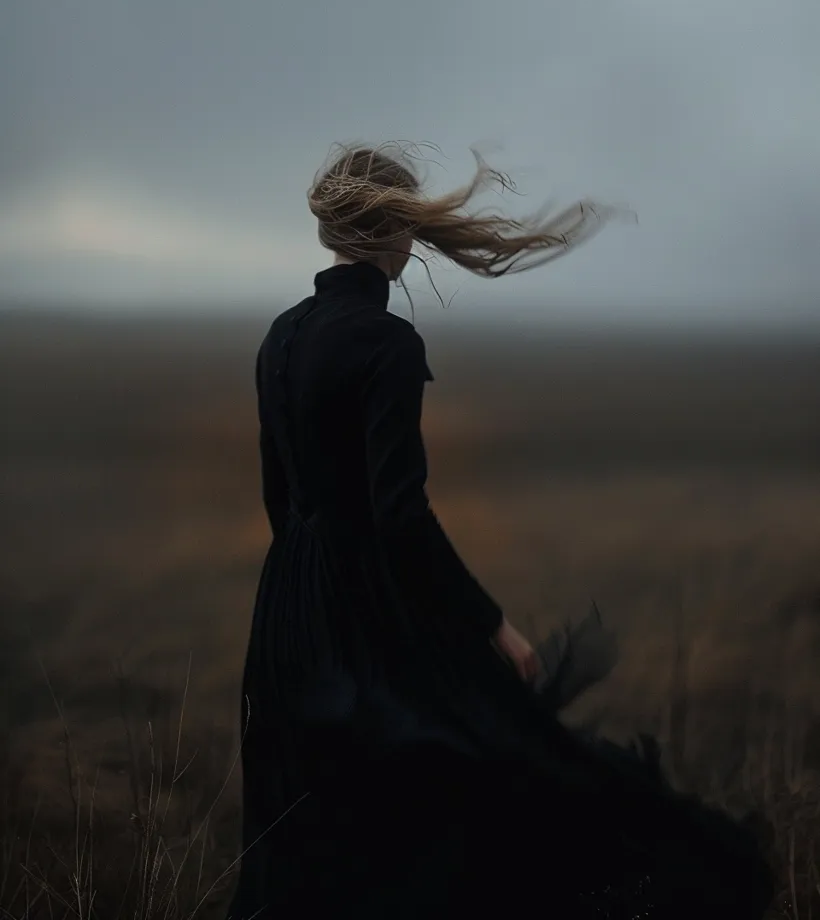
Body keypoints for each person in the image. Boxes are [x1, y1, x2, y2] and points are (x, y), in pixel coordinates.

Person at [226, 143, 774, 918]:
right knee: (478, 788)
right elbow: (399, 517)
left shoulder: (279, 337)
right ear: (398, 232)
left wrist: (307, 595)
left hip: (285, 619)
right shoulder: (386, 343)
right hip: (368, 609)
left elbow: (278, 500)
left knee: (317, 836)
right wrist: (493, 627)